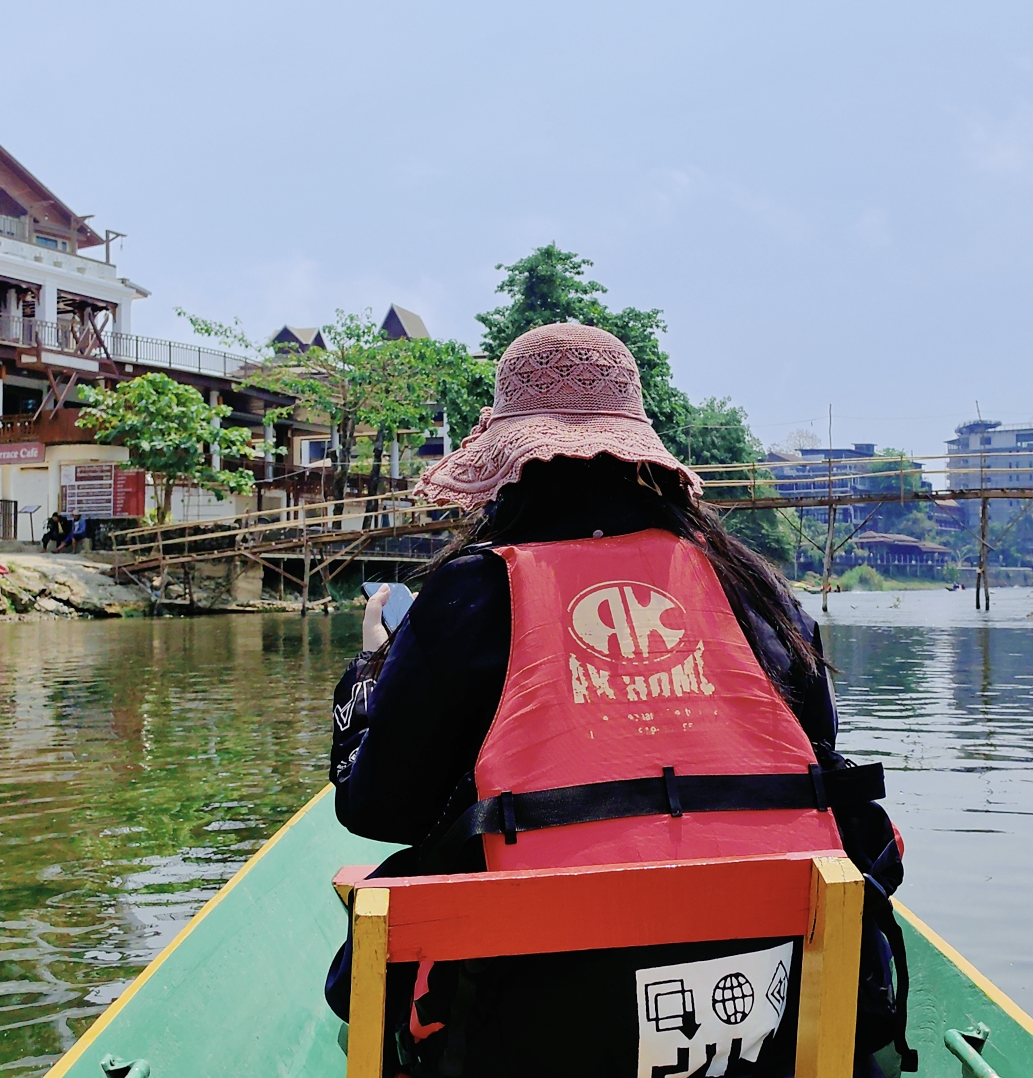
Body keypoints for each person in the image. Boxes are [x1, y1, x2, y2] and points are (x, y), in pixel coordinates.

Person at [326, 324, 910, 1078]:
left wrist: (369, 677)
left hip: (534, 1031)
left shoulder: (472, 591)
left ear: (512, 466)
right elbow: (819, 749)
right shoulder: (752, 586)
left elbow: (380, 812)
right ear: (645, 458)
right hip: (781, 1015)